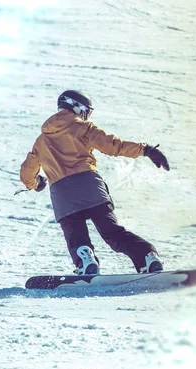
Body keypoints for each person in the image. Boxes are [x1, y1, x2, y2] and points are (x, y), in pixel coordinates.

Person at [20, 90, 170, 275]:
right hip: (90, 185)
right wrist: (146, 150)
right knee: (112, 232)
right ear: (78, 108)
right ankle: (146, 256)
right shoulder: (83, 128)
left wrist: (36, 183)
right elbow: (114, 145)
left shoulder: (41, 141)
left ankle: (85, 260)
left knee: (76, 234)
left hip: (63, 194)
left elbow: (27, 171)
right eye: (86, 111)